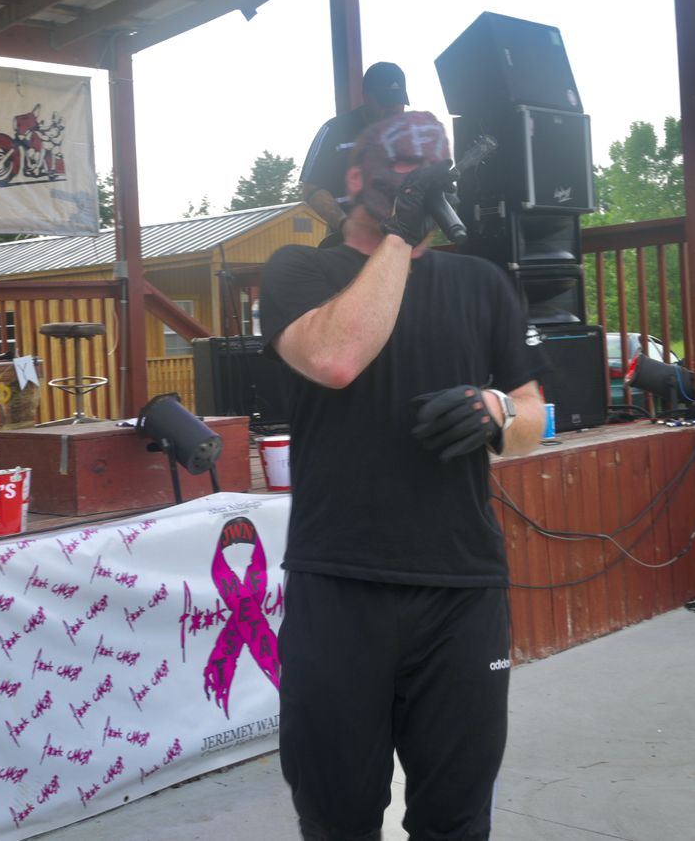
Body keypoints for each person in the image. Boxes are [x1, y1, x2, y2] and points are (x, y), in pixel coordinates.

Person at [261, 110, 546, 841]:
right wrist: (398, 236)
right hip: (340, 584)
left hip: (462, 588)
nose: (419, 184)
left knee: (457, 820)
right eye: (402, 169)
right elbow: (335, 359)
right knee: (338, 819)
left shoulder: (482, 282)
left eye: (432, 170)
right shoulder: (299, 272)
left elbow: (535, 415)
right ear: (357, 177)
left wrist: (496, 409)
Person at [298, 62, 409, 246]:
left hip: (399, 243)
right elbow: (311, 188)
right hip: (347, 244)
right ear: (366, 97)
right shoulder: (334, 131)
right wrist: (346, 225)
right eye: (385, 102)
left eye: (398, 101)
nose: (393, 109)